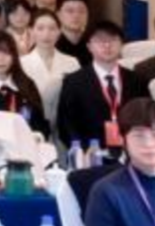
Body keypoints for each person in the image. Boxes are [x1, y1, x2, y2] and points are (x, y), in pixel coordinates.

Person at [56, 20, 149, 161]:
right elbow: (66, 125)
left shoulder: (137, 80)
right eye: (100, 41)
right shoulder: (74, 82)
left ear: (121, 45)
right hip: (91, 155)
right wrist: (84, 152)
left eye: (113, 40)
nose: (107, 45)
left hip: (133, 155)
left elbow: (147, 117)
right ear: (89, 46)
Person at [19, 10, 80, 108]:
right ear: (31, 31)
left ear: (59, 31)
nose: (46, 34)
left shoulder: (72, 62)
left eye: (52, 28)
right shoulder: (21, 63)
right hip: (33, 115)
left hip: (65, 115)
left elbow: (78, 97)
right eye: (40, 28)